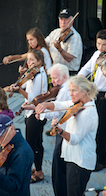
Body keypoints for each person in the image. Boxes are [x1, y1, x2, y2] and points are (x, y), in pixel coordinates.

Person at [35, 75, 98, 196]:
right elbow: (59, 105)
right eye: (69, 90)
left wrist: (60, 130)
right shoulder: (79, 103)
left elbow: (75, 139)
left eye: (74, 90)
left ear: (84, 91)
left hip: (80, 161)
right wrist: (45, 105)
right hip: (72, 157)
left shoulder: (88, 113)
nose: (71, 93)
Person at [78, 29, 106, 171]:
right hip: (93, 93)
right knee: (91, 125)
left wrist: (105, 70)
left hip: (104, 95)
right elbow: (86, 68)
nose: (100, 47)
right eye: (98, 44)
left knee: (102, 128)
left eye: (103, 44)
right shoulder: (97, 54)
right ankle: (91, 155)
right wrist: (78, 79)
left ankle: (102, 160)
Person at [26, 63, 70, 196]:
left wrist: (40, 113)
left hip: (64, 130)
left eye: (55, 78)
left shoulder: (64, 90)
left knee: (58, 164)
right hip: (63, 128)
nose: (53, 81)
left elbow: (57, 111)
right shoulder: (63, 87)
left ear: (64, 76)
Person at [9, 49, 48, 183]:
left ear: (39, 62)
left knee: (32, 144)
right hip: (31, 111)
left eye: (32, 60)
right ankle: (38, 169)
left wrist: (19, 89)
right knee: (38, 143)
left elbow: (33, 98)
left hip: (36, 112)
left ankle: (37, 171)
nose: (29, 63)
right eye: (28, 60)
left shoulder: (40, 76)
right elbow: (25, 84)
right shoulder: (33, 73)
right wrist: (22, 76)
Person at [0, 114, 34, 195]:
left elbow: (14, 185)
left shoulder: (23, 152)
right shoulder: (6, 142)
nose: (0, 140)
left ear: (11, 128)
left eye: (1, 136)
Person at [45, 8, 83, 76]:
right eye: (61, 19)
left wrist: (59, 49)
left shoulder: (75, 37)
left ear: (72, 20)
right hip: (55, 71)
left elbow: (69, 58)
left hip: (68, 73)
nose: (63, 22)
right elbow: (45, 43)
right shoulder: (55, 32)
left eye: (66, 19)